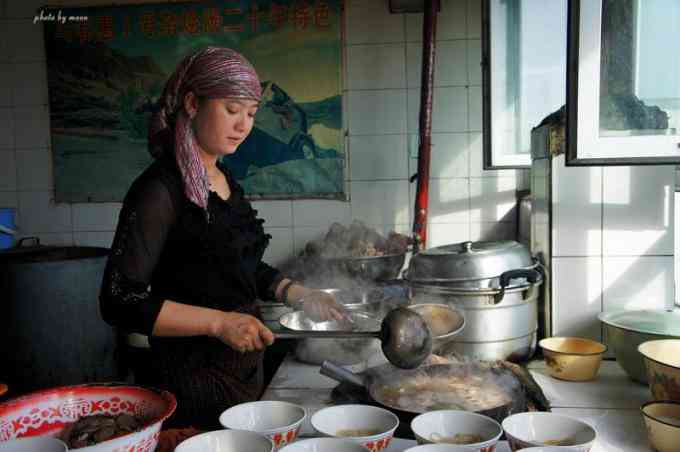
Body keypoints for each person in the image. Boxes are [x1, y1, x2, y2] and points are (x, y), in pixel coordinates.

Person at [99, 46, 346, 429]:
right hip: (191, 379)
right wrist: (218, 323)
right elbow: (120, 300)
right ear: (193, 103)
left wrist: (298, 293)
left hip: (244, 368)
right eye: (232, 110)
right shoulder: (159, 190)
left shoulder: (224, 179)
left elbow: (239, 263)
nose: (244, 125)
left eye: (250, 114)